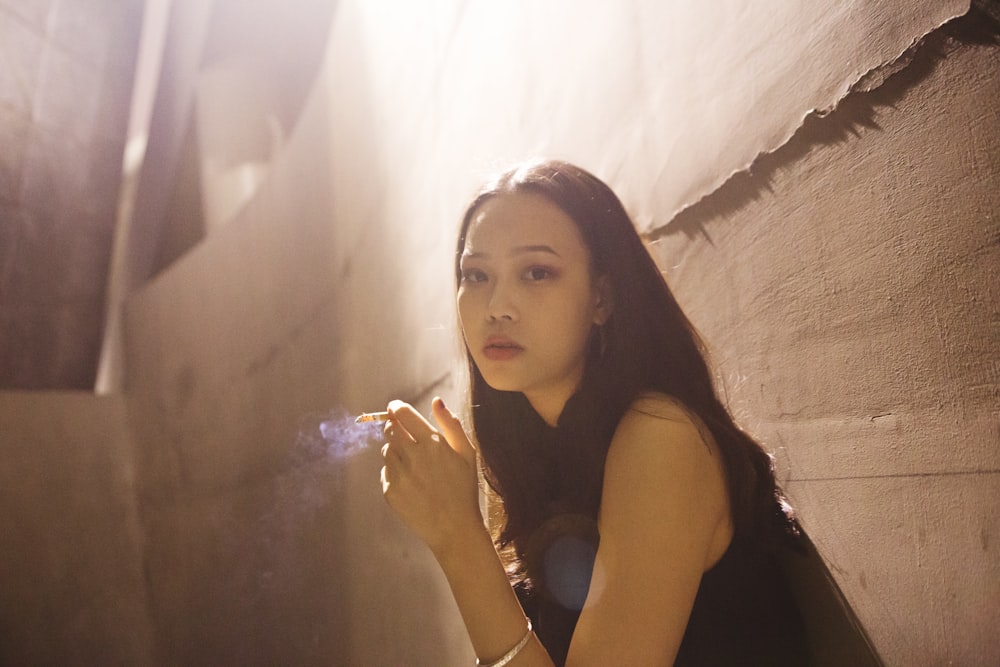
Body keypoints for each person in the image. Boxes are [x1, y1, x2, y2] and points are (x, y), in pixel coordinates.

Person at [379, 159, 808, 666]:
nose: (497, 305)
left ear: (601, 297)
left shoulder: (659, 437)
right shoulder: (539, 460)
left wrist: (457, 538)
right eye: (475, 275)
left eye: (537, 272)